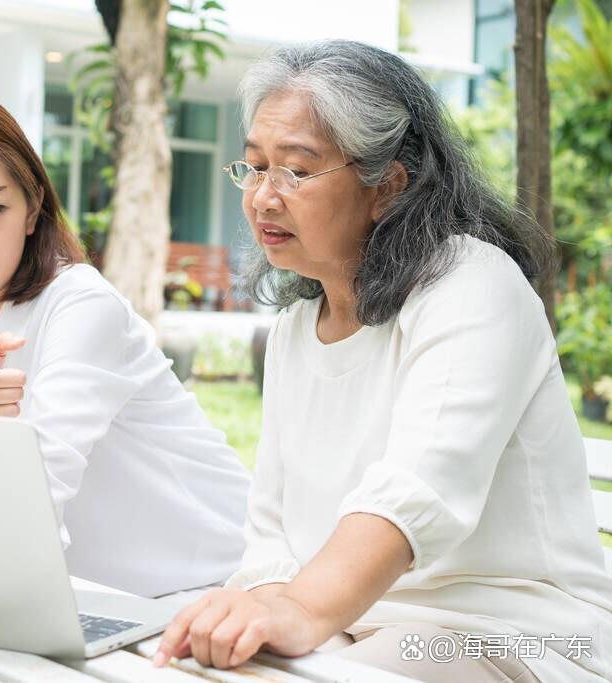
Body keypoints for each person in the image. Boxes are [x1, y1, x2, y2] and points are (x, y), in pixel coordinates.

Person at [154, 40, 612, 682]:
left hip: (513, 639)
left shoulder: (473, 283)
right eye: (254, 167)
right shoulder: (292, 330)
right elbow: (271, 533)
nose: (262, 197)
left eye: (297, 170)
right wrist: (261, 606)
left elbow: (418, 491)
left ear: (387, 185)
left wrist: (302, 610)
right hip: (355, 631)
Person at [0, 83, 250, 598]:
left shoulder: (82, 306)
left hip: (212, 591)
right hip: (90, 598)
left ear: (32, 207)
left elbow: (33, 500)